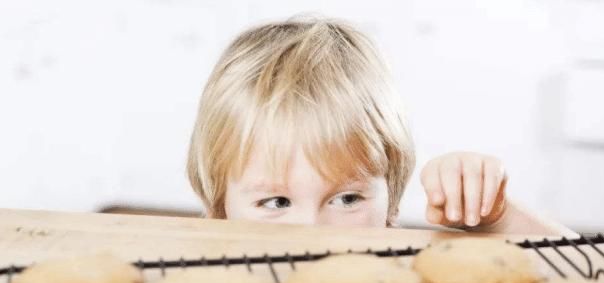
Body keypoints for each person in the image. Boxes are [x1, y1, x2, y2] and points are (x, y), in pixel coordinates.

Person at [186, 18, 517, 231]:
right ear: (220, 210)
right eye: (277, 203)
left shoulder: (397, 272)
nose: (312, 233)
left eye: (347, 199)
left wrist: (498, 218)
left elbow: (568, 272)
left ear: (391, 195)